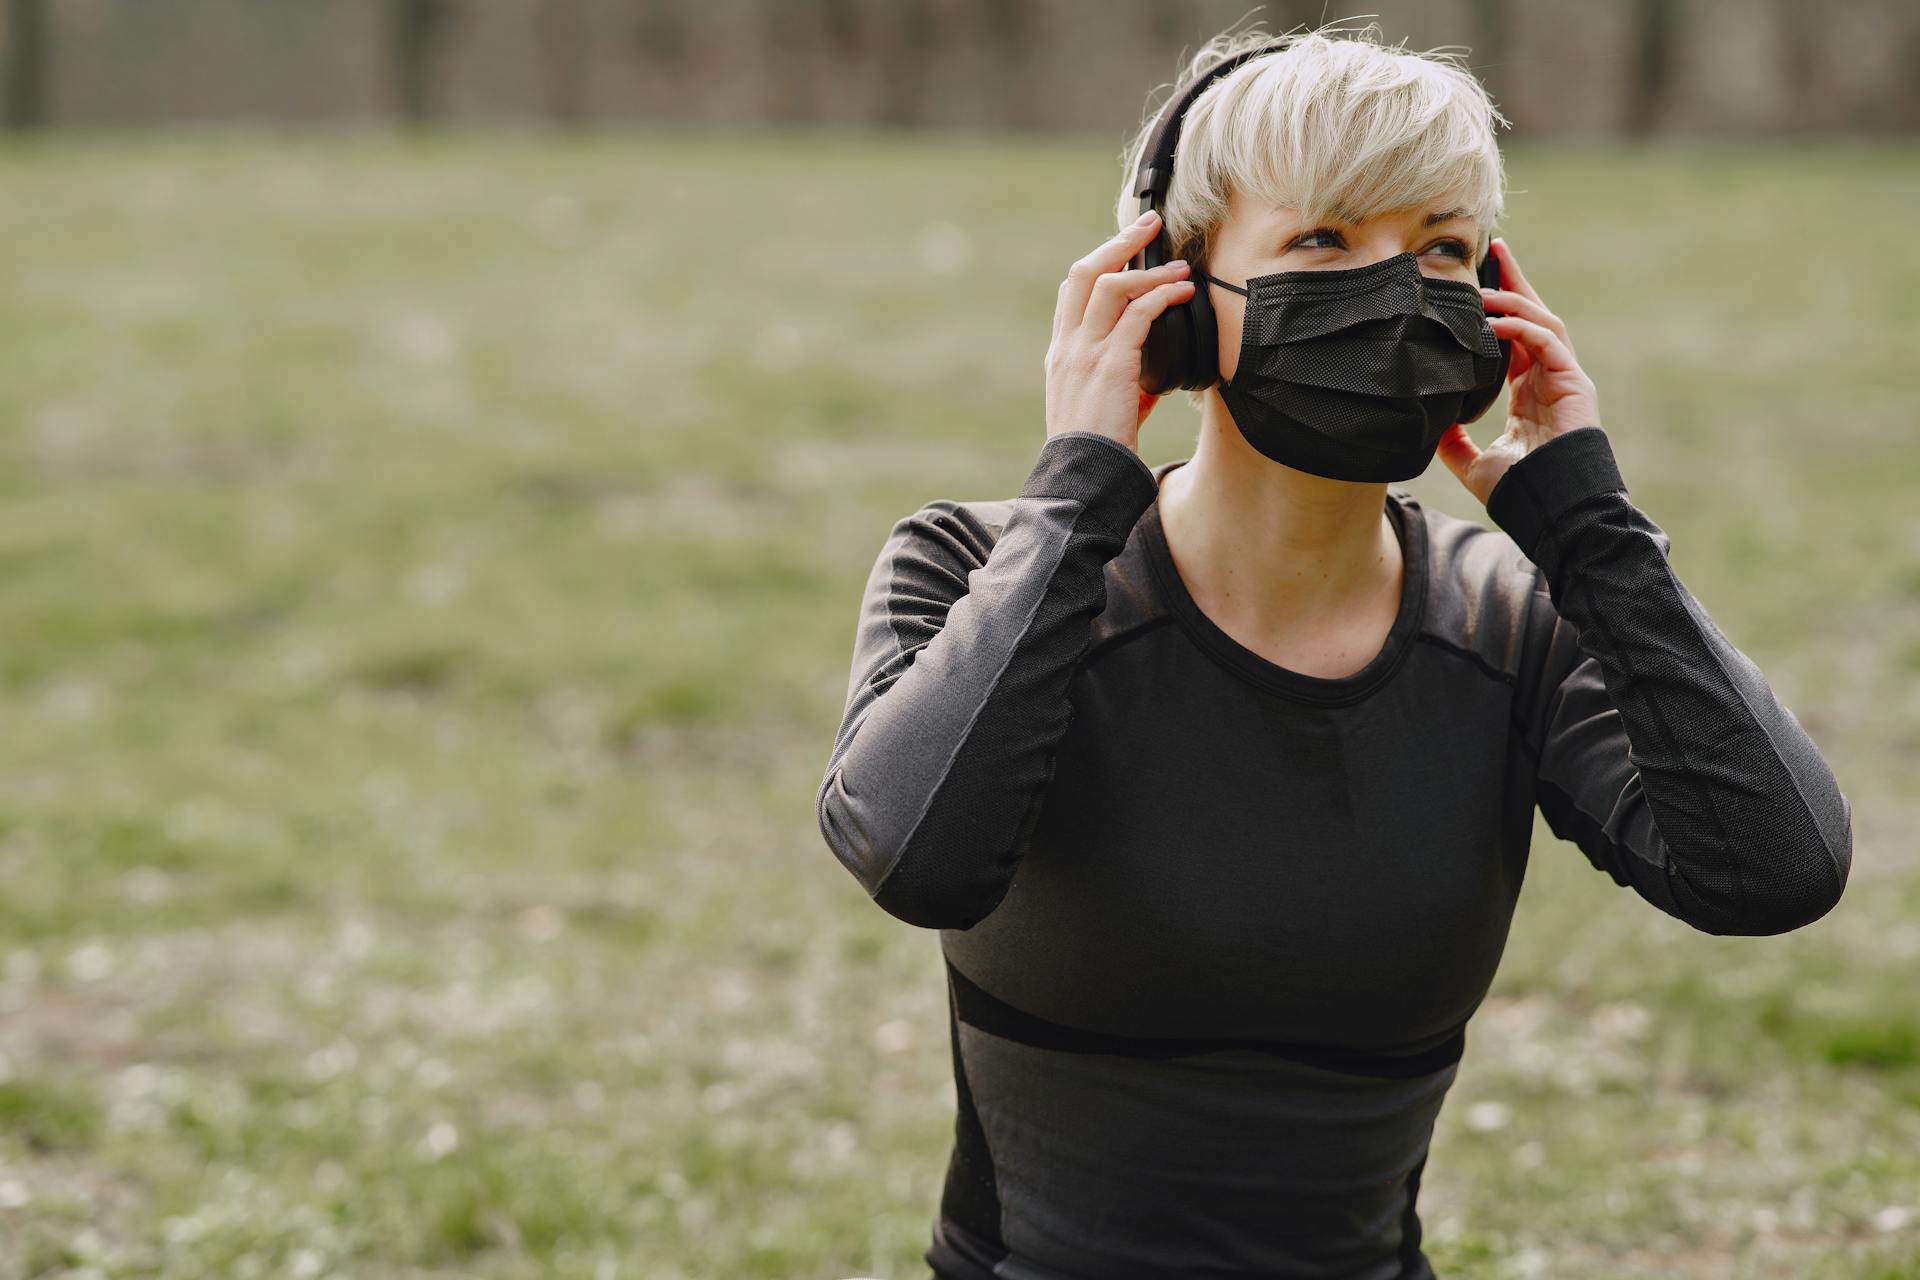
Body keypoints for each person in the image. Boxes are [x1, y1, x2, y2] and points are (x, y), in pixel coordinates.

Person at [813, 21, 1851, 1280]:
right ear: (1175, 295)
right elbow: (918, 853)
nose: (1400, 293)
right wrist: (1078, 487)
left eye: (1443, 249)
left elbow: (1774, 867)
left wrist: (1586, 522)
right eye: (1324, 238)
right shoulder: (980, 569)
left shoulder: (1508, 620)